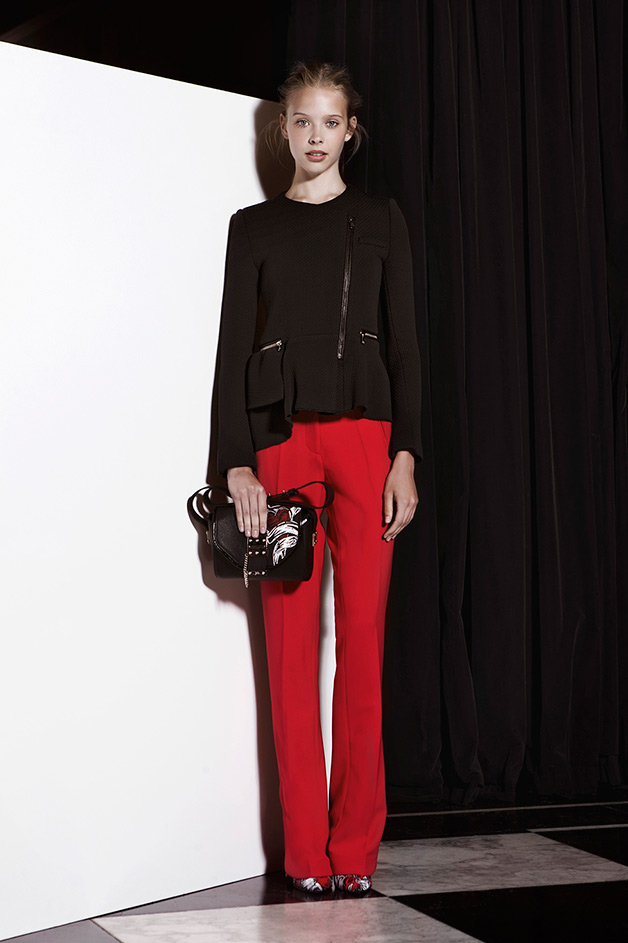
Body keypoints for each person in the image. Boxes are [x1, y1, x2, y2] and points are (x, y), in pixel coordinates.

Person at [215, 59, 422, 894]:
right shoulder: (253, 228)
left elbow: (405, 344)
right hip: (282, 446)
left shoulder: (380, 218)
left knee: (362, 648)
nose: (314, 136)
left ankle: (355, 851)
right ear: (283, 128)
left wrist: (408, 453)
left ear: (350, 131)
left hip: (368, 443)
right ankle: (306, 854)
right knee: (290, 654)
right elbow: (232, 349)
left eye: (329, 122)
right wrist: (235, 460)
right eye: (301, 120)